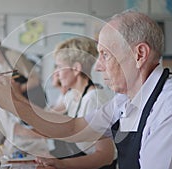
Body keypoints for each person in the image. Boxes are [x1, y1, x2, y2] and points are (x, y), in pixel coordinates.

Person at [0, 10, 172, 169]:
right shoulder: (125, 101)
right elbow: (72, 127)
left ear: (139, 54)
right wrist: (13, 100)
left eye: (105, 55)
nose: (98, 67)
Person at [41, 37, 117, 169]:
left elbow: (106, 155)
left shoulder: (94, 100)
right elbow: (47, 116)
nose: (56, 74)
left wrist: (62, 165)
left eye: (59, 67)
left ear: (76, 69)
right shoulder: (73, 95)